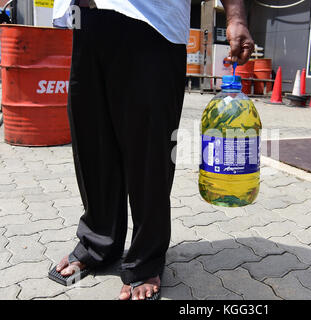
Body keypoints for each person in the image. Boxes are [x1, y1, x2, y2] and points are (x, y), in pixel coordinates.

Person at [49, 0, 254, 300]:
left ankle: (146, 259)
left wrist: (235, 16)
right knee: (93, 143)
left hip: (153, 23)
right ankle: (98, 243)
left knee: (149, 151)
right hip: (87, 18)